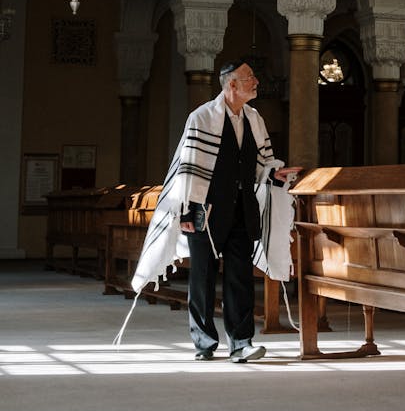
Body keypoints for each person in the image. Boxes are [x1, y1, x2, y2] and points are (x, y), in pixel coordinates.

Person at [119, 56, 300, 361]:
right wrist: (188, 213)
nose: (256, 82)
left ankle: (241, 343)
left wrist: (274, 174)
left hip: (242, 210)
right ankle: (204, 342)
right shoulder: (201, 118)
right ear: (232, 84)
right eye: (249, 78)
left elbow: (259, 167)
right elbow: (188, 169)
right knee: (201, 277)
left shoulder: (255, 119)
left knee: (240, 276)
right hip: (206, 211)